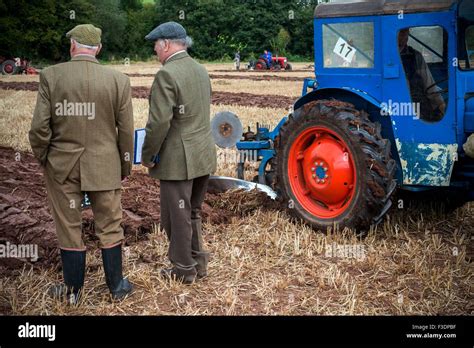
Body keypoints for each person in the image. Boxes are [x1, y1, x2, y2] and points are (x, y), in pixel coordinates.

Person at [29, 24, 134, 303]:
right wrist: (123, 167)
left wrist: (45, 159)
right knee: (111, 225)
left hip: (63, 167)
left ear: (72, 45)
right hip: (105, 166)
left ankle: (73, 292)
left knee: (69, 227)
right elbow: (125, 132)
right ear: (98, 48)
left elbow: (39, 129)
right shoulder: (118, 80)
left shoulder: (51, 76)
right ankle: (117, 288)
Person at [141, 22, 217, 284]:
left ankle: (183, 269)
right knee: (192, 211)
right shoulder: (200, 70)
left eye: (155, 45)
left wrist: (147, 155)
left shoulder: (167, 74)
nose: (154, 50)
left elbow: (159, 123)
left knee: (176, 215)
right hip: (202, 154)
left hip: (178, 159)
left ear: (166, 44)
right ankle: (198, 263)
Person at [398, 28, 446, 121]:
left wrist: (440, 105)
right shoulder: (378, 56)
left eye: (405, 32)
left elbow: (429, 84)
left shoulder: (415, 56)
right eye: (401, 32)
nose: (404, 36)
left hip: (416, 106)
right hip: (392, 106)